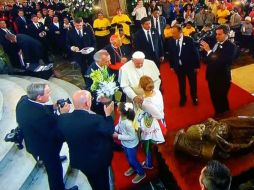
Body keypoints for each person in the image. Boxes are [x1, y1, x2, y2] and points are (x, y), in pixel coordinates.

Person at [16, 83, 77, 190]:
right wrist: (63, 114)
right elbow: (54, 130)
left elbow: (41, 108)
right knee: (55, 171)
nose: (50, 94)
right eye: (48, 92)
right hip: (45, 148)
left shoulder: (24, 100)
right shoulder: (40, 116)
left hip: (33, 140)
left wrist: (53, 107)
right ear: (39, 97)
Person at [57, 90, 115, 190]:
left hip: (81, 161)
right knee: (102, 184)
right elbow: (109, 130)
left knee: (93, 181)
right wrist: (108, 115)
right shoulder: (96, 119)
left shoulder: (62, 119)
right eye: (91, 99)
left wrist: (63, 114)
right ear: (87, 103)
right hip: (98, 161)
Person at [200, 25, 236, 115]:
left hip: (222, 78)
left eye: (219, 34)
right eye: (216, 34)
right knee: (214, 98)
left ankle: (225, 117)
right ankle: (218, 114)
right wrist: (204, 51)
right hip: (211, 76)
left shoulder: (231, 47)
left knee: (222, 99)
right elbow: (207, 60)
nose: (216, 36)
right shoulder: (216, 43)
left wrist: (209, 51)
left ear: (227, 34)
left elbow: (221, 62)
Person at [166, 25, 200, 107]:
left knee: (193, 83)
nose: (172, 35)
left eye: (174, 33)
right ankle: (183, 98)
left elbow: (196, 54)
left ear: (180, 32)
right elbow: (171, 55)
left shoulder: (189, 40)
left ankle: (194, 97)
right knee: (181, 84)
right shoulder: (171, 41)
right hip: (179, 67)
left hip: (190, 67)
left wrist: (197, 66)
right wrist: (171, 66)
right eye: (172, 33)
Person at [113, 102, 146, 184]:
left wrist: (118, 136)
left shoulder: (128, 123)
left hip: (131, 145)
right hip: (125, 143)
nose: (116, 109)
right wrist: (114, 129)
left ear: (120, 112)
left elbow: (132, 136)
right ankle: (133, 168)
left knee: (132, 159)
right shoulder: (121, 118)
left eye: (118, 108)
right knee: (128, 157)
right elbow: (119, 125)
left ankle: (141, 173)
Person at [137, 75, 165, 169]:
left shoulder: (145, 103)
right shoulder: (157, 91)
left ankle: (149, 163)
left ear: (141, 87)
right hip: (162, 120)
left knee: (146, 143)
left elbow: (157, 115)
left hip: (154, 124)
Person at [85, 49, 112, 115]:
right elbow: (90, 89)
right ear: (99, 61)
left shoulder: (104, 65)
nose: (110, 63)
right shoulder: (90, 73)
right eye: (107, 61)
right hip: (99, 103)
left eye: (109, 60)